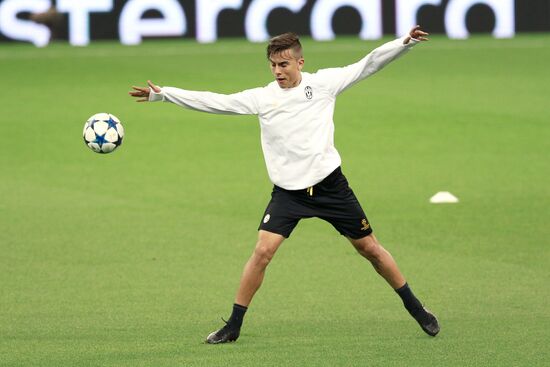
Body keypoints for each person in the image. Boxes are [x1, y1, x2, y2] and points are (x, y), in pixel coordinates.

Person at [129, 25, 439, 344]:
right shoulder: (263, 98)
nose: (278, 71)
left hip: (331, 187)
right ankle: (233, 325)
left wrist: (404, 43)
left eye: (284, 64)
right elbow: (216, 102)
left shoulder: (324, 84)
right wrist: (163, 94)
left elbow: (368, 63)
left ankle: (416, 309)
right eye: (274, 65)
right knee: (263, 251)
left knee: (370, 248)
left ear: (300, 63)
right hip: (288, 195)